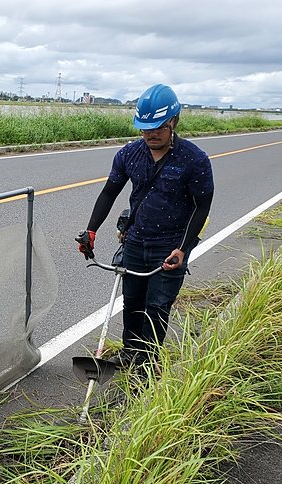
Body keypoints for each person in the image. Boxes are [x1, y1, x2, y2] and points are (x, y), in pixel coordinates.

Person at [78, 83, 214, 371]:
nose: (151, 134)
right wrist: (91, 230)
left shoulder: (194, 159)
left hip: (171, 244)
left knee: (157, 306)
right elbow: (109, 192)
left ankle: (148, 363)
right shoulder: (130, 155)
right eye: (145, 128)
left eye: (158, 128)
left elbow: (202, 206)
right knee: (133, 302)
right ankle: (130, 354)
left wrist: (183, 248)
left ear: (174, 122)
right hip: (135, 240)